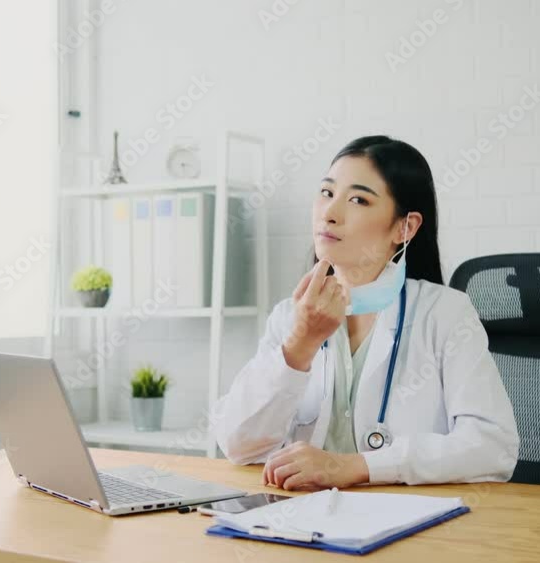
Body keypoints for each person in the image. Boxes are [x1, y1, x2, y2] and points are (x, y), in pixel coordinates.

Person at [213, 135, 519, 491]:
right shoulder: (289, 317)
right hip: (303, 523)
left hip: (410, 528)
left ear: (405, 227)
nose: (329, 213)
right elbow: (237, 445)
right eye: (326, 193)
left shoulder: (445, 314)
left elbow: (492, 446)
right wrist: (299, 345)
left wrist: (356, 467)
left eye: (358, 199)